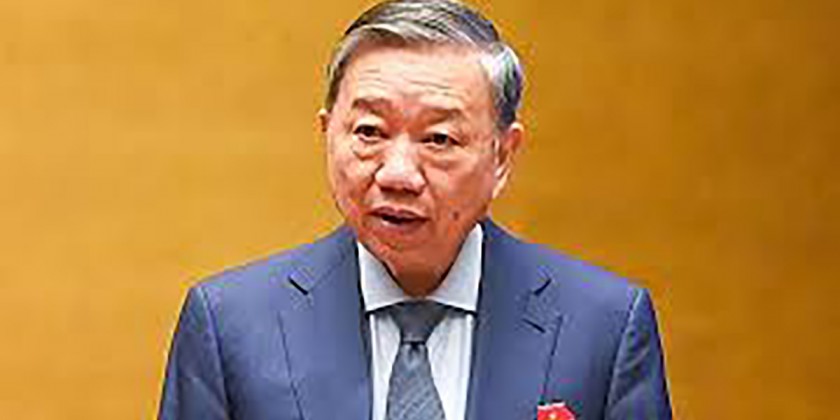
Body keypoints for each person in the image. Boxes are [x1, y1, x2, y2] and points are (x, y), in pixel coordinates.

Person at [158, 1, 672, 419]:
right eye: (369, 132)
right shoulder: (231, 326)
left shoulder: (602, 326)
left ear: (501, 156)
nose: (398, 173)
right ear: (327, 134)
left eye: (439, 138)